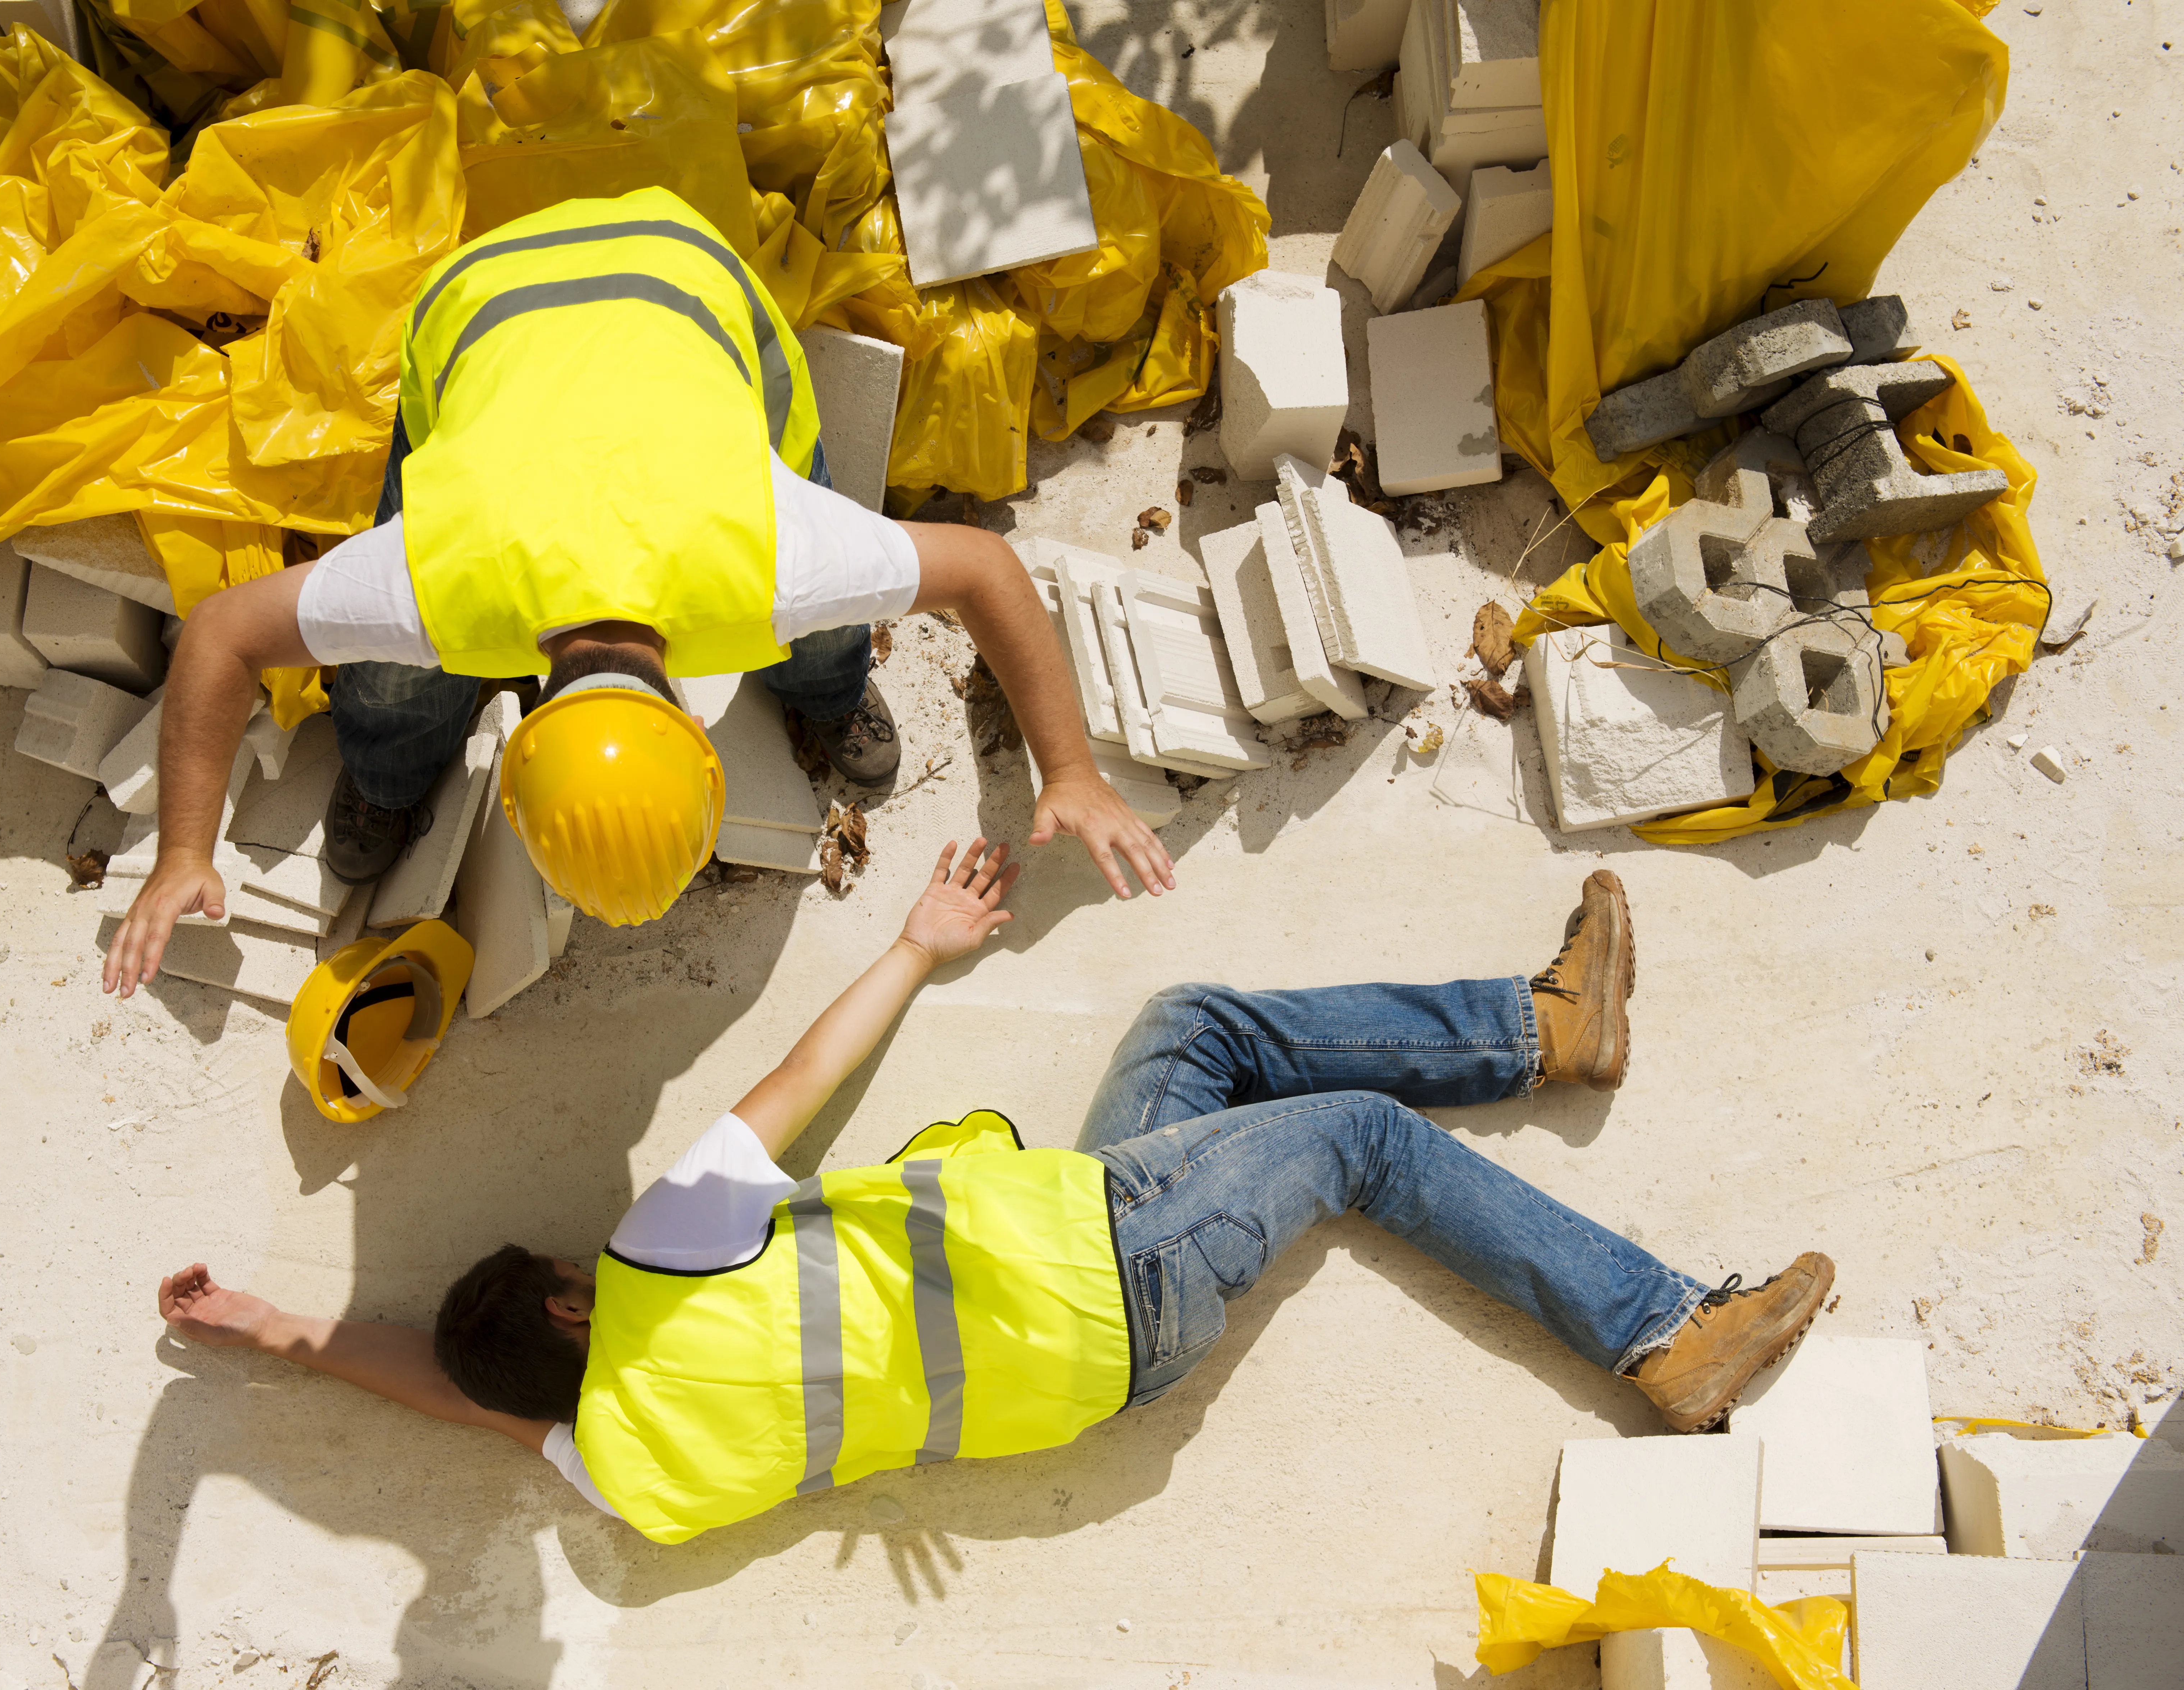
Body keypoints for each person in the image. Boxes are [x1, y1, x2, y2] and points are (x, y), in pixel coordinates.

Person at [156, 858, 1834, 1544]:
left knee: (1195, 1034)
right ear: (578, 1303)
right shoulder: (661, 1261)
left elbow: (439, 1391)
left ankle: (1553, 1030)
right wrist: (916, 944)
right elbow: (793, 1089)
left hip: (1094, 1345)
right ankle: (1663, 1333)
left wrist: (273, 1333)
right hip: (1108, 1263)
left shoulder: (621, 1476)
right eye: (565, 1265)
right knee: (1355, 1142)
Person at [102, 186, 1172, 994]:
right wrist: (181, 851)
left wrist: (1072, 768)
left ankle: (827, 687)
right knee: (388, 688)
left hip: (682, 272)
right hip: (482, 295)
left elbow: (983, 572)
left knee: (828, 628)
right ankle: (391, 772)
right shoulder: (440, 580)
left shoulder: (777, 559)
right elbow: (220, 636)